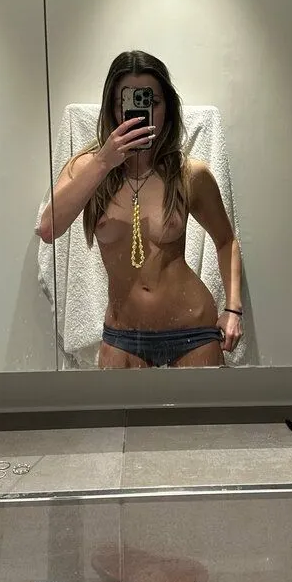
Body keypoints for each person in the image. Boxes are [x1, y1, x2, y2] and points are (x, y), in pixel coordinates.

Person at [39, 50, 243, 368]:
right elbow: (48, 229)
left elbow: (226, 241)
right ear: (111, 108)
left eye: (151, 101)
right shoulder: (88, 168)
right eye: (125, 102)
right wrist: (103, 162)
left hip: (193, 332)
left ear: (167, 109)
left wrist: (233, 309)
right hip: (123, 336)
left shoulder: (188, 174)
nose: (136, 113)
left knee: (200, 406)